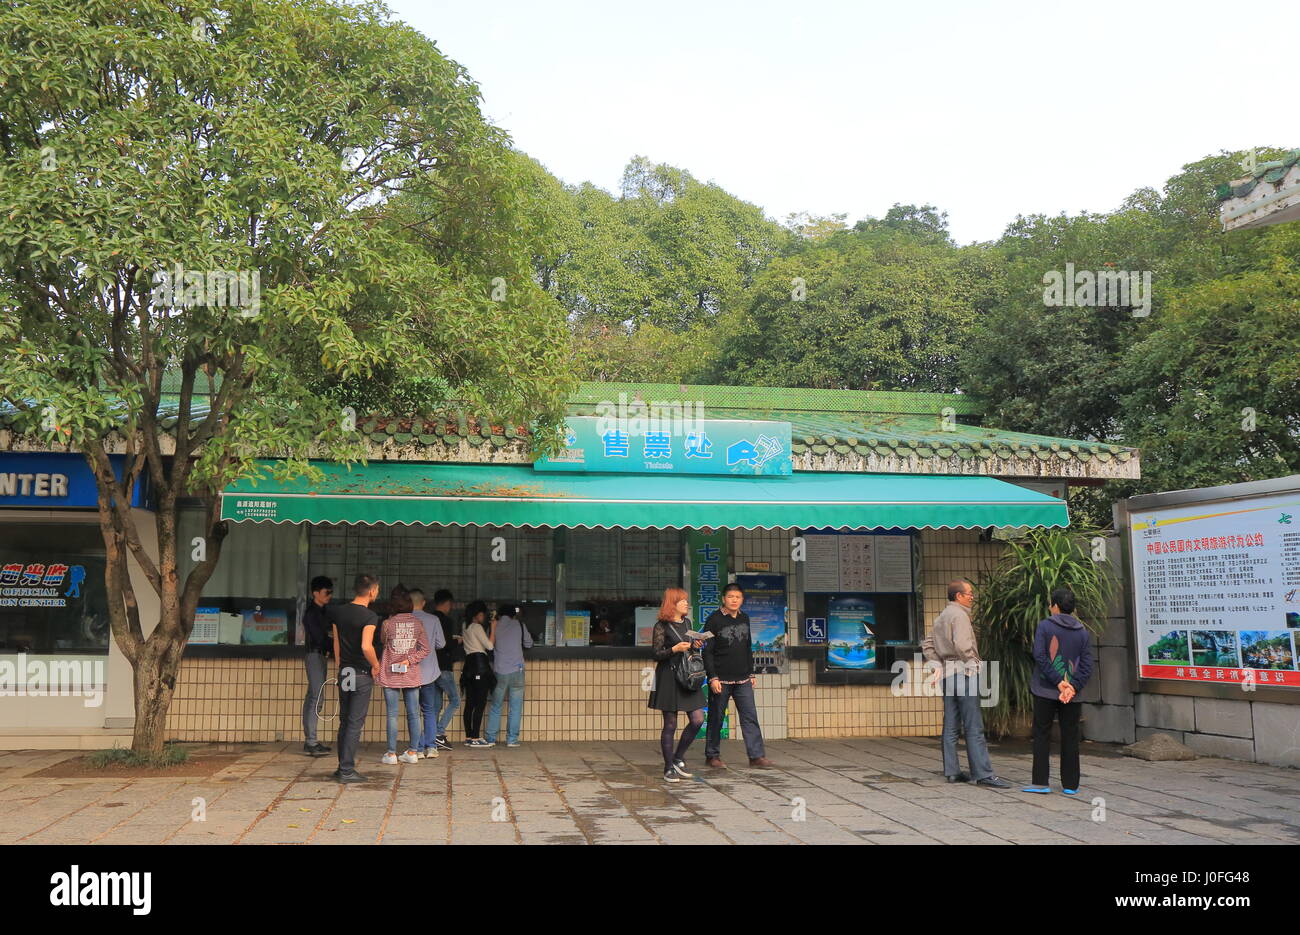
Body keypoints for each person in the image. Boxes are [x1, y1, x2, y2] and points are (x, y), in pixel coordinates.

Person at [922, 579, 1011, 788]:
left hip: (947, 675)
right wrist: (974, 663)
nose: (973, 596)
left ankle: (952, 772)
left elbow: (927, 644)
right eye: (970, 593)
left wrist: (937, 665)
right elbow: (963, 645)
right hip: (964, 673)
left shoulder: (942, 616)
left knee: (951, 725)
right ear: (959, 596)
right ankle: (983, 774)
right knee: (974, 726)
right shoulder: (960, 615)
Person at [1023, 586, 1094, 796]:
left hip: (1045, 689)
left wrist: (1057, 682)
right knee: (1071, 735)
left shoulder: (1045, 626)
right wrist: (1072, 686)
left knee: (1042, 733)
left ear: (1054, 606)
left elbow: (1040, 656)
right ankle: (1071, 784)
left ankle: (1040, 782)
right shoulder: (1082, 631)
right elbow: (1087, 665)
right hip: (1072, 694)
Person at [703, 583, 773, 769]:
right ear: (723, 599)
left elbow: (747, 647)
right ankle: (712, 756)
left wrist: (751, 672)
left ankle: (756, 756)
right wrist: (712, 677)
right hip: (721, 679)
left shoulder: (745, 618)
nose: (734, 600)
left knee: (750, 716)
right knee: (716, 718)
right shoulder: (714, 620)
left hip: (743, 678)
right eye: (730, 597)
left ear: (742, 600)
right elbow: (707, 651)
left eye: (738, 597)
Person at [648, 588, 705, 783]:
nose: (686, 604)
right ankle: (668, 768)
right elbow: (656, 654)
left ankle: (678, 758)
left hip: (688, 677)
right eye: (682, 601)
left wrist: (695, 645)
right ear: (672, 603)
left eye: (686, 601)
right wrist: (674, 649)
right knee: (670, 723)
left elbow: (690, 645)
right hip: (669, 677)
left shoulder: (688, 623)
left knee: (698, 719)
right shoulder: (661, 626)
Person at [328, 573, 380, 783]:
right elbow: (366, 646)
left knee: (344, 721)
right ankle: (347, 770)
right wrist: (376, 665)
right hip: (361, 674)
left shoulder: (338, 612)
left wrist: (340, 666)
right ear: (372, 591)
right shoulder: (369, 616)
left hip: (345, 672)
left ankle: (342, 766)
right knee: (354, 723)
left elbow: (336, 644)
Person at [377, 585, 430, 766]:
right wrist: (409, 660)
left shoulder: (387, 624)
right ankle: (413, 752)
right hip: (410, 674)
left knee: (392, 715)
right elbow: (426, 649)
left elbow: (383, 642)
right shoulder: (417, 623)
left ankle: (391, 754)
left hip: (390, 673)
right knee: (414, 714)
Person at [483, 601, 533, 747]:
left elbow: (488, 645)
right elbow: (528, 644)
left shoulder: (494, 626)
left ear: (499, 614)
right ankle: (512, 739)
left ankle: (491, 738)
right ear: (513, 614)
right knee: (516, 706)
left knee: (496, 705)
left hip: (500, 671)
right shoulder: (520, 625)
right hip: (517, 670)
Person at [410, 588, 448, 758]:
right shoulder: (434, 619)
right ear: (423, 603)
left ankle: (417, 749)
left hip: (410, 672)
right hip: (429, 672)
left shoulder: (404, 619)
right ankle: (431, 747)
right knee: (429, 710)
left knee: (414, 712)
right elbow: (441, 644)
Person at [301, 575, 333, 757]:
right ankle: (311, 741)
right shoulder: (312, 613)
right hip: (315, 654)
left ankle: (311, 740)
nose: (329, 595)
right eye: (326, 592)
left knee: (314, 696)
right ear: (315, 593)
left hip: (320, 655)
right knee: (316, 697)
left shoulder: (323, 611)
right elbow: (320, 638)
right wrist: (333, 643)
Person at [425, 588, 460, 750]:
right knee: (455, 700)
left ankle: (431, 737)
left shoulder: (429, 619)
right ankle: (439, 733)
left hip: (431, 667)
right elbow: (444, 644)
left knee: (435, 705)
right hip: (444, 666)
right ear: (447, 604)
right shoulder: (446, 621)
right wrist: (457, 641)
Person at [460, 601, 495, 747]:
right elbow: (490, 646)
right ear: (477, 615)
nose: (484, 617)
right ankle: (475, 737)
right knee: (480, 703)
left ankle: (469, 737)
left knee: (469, 703)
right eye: (482, 614)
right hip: (480, 665)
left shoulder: (465, 625)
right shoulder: (477, 627)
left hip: (468, 666)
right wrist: (493, 629)